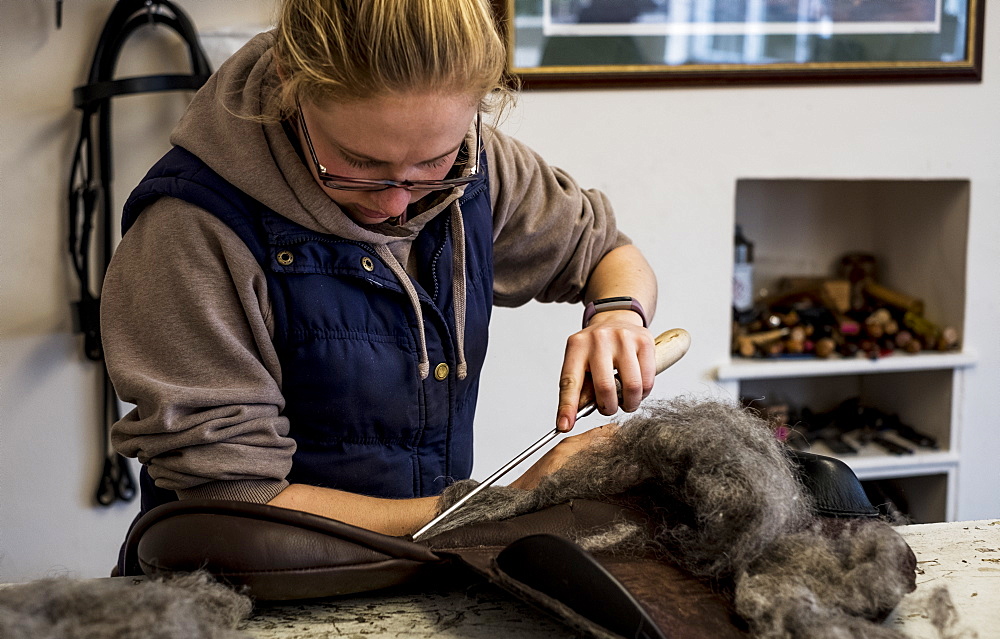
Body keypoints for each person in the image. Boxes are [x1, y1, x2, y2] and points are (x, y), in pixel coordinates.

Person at [101, 0, 658, 543]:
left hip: (415, 583)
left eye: (430, 164)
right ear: (291, 80)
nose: (397, 205)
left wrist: (618, 314)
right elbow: (234, 500)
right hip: (248, 595)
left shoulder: (477, 164)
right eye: (361, 164)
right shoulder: (192, 231)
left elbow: (607, 252)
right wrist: (503, 504)